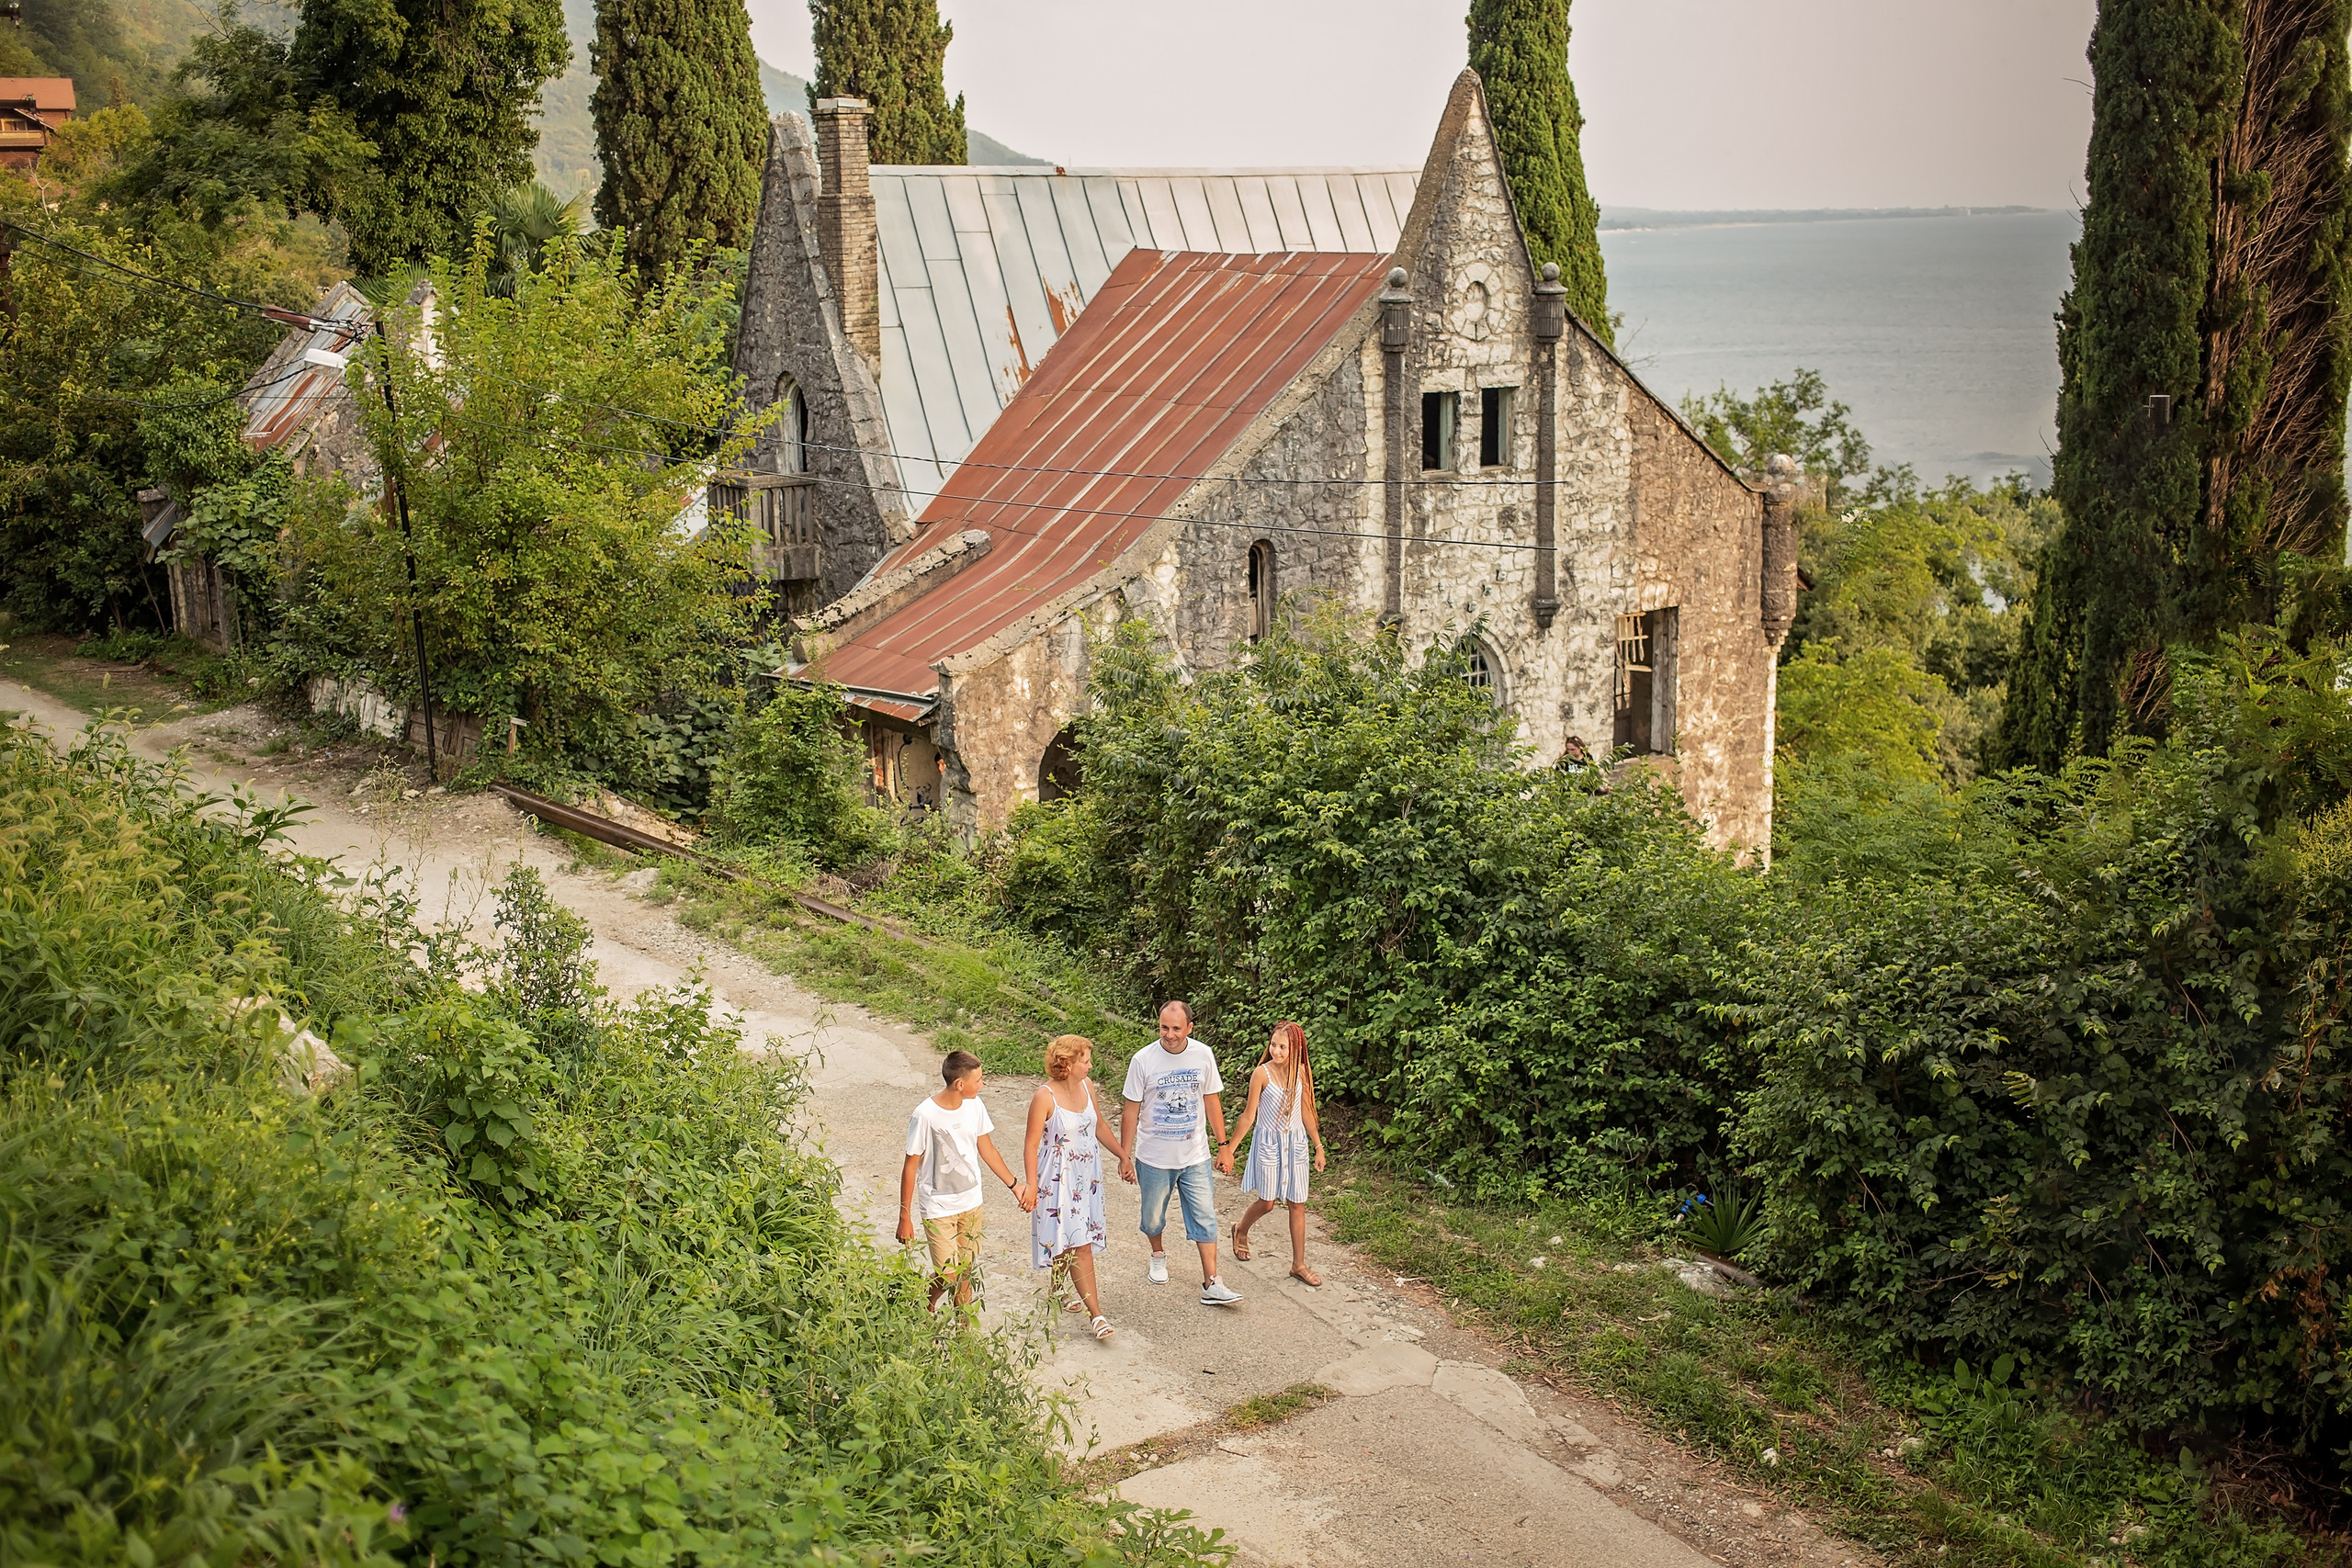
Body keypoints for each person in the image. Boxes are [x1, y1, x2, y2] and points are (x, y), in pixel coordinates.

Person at [1117, 1001, 1242, 1306]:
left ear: (1189, 1028)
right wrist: (1124, 1155)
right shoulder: (1143, 1060)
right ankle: (1157, 1254)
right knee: (1152, 1218)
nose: (1169, 1035)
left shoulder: (1203, 1054)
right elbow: (1130, 1111)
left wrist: (1224, 1146)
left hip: (1195, 1156)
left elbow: (1211, 1101)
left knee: (1205, 1217)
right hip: (1154, 1157)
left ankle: (1211, 1282)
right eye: (1164, 1027)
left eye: (1176, 1028)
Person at [899, 1050, 1031, 1314]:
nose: (982, 1084)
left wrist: (1015, 1185)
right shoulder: (925, 1115)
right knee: (949, 1275)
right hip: (938, 1207)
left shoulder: (975, 1106)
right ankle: (924, 1299)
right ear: (960, 1084)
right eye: (978, 1080)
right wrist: (905, 1216)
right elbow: (910, 1167)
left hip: (971, 1203)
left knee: (965, 1272)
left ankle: (963, 1331)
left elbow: (987, 1148)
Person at [1023, 1034, 1127, 1340]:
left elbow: (1099, 1126)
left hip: (1086, 1176)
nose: (1090, 1066)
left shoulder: (1087, 1086)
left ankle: (1056, 1289)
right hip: (1058, 1179)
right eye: (1085, 1061)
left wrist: (1123, 1156)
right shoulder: (1044, 1097)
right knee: (1078, 1243)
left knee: (1069, 1237)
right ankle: (1097, 1315)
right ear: (1067, 1064)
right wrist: (1031, 1185)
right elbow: (1030, 1145)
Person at [1215, 1021, 1329, 1286]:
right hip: (1269, 1144)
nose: (1276, 1051)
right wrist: (1229, 1150)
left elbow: (1307, 1112)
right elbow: (1248, 1116)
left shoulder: (1301, 1073)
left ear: (1296, 1049)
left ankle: (1298, 1265)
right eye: (1273, 1045)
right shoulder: (1261, 1074)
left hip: (1296, 1145)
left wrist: (1318, 1147)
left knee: (1297, 1203)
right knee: (1267, 1202)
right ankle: (1240, 1229)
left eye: (1283, 1047)